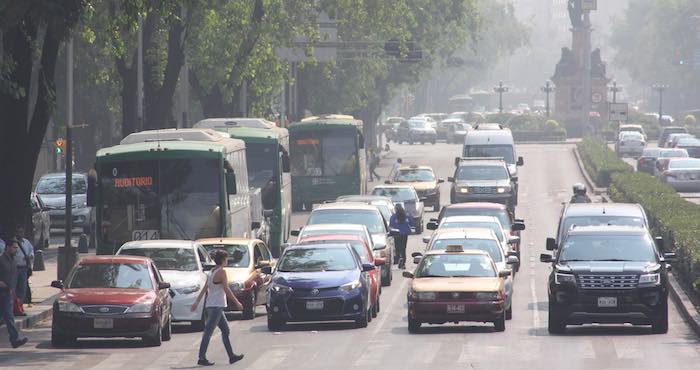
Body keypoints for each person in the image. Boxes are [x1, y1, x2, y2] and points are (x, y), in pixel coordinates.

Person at [191, 249, 244, 366]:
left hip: (213, 305)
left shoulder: (211, 271)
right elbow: (226, 289)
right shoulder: (221, 272)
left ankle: (231, 356)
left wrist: (196, 302)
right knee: (208, 332)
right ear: (223, 260)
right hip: (216, 306)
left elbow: (205, 288)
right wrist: (237, 302)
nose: (227, 261)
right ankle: (201, 357)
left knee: (225, 330)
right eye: (226, 259)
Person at [0, 238, 28, 349]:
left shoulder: (14, 261)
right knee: (8, 317)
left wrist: (13, 290)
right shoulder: (1, 260)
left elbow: (13, 278)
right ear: (7, 247)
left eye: (17, 248)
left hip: (7, 294)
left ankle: (14, 340)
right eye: (14, 248)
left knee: (9, 316)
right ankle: (14, 339)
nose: (16, 250)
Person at [14, 226, 33, 315]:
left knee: (22, 288)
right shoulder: (13, 243)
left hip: (24, 268)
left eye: (21, 232)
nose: (20, 234)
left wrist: (30, 256)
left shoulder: (26, 242)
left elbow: (31, 251)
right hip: (15, 268)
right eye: (18, 232)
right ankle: (15, 308)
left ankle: (20, 308)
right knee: (14, 288)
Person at [389, 204, 412, 269]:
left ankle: (399, 259)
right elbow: (411, 223)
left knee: (397, 248)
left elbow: (391, 225)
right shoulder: (406, 216)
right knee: (403, 248)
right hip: (404, 235)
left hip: (397, 235)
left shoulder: (393, 217)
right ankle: (403, 262)